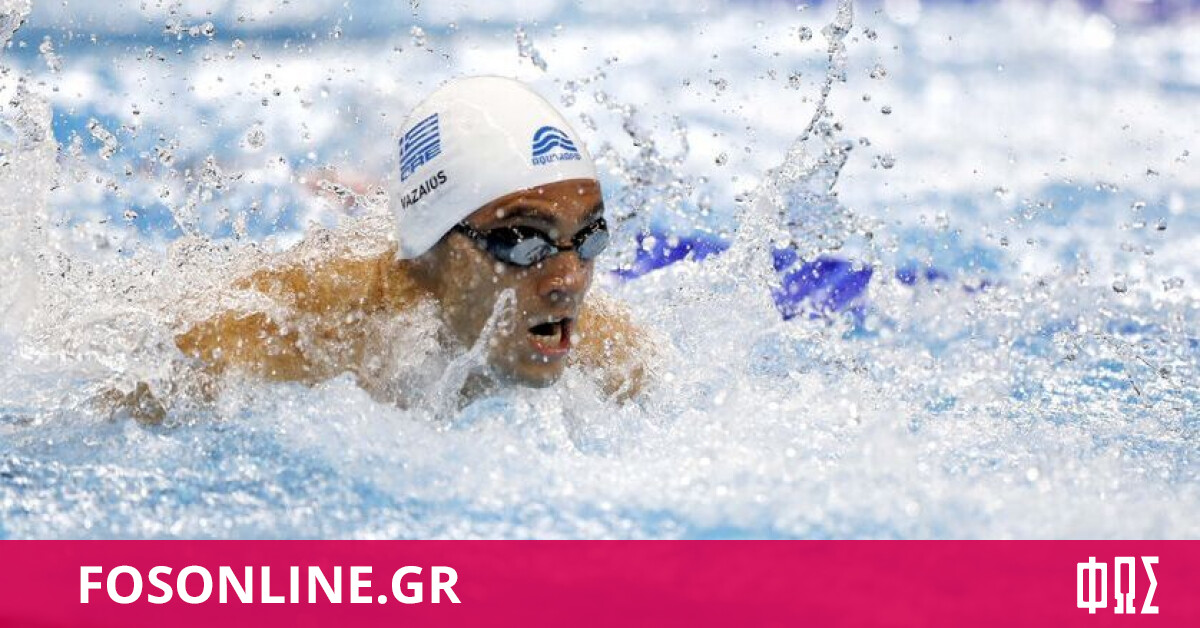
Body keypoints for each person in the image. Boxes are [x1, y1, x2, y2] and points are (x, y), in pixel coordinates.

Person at [113, 76, 653, 424]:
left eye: (590, 237)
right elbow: (116, 391)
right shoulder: (303, 332)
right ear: (431, 250)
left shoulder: (610, 356)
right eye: (523, 241)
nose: (569, 279)